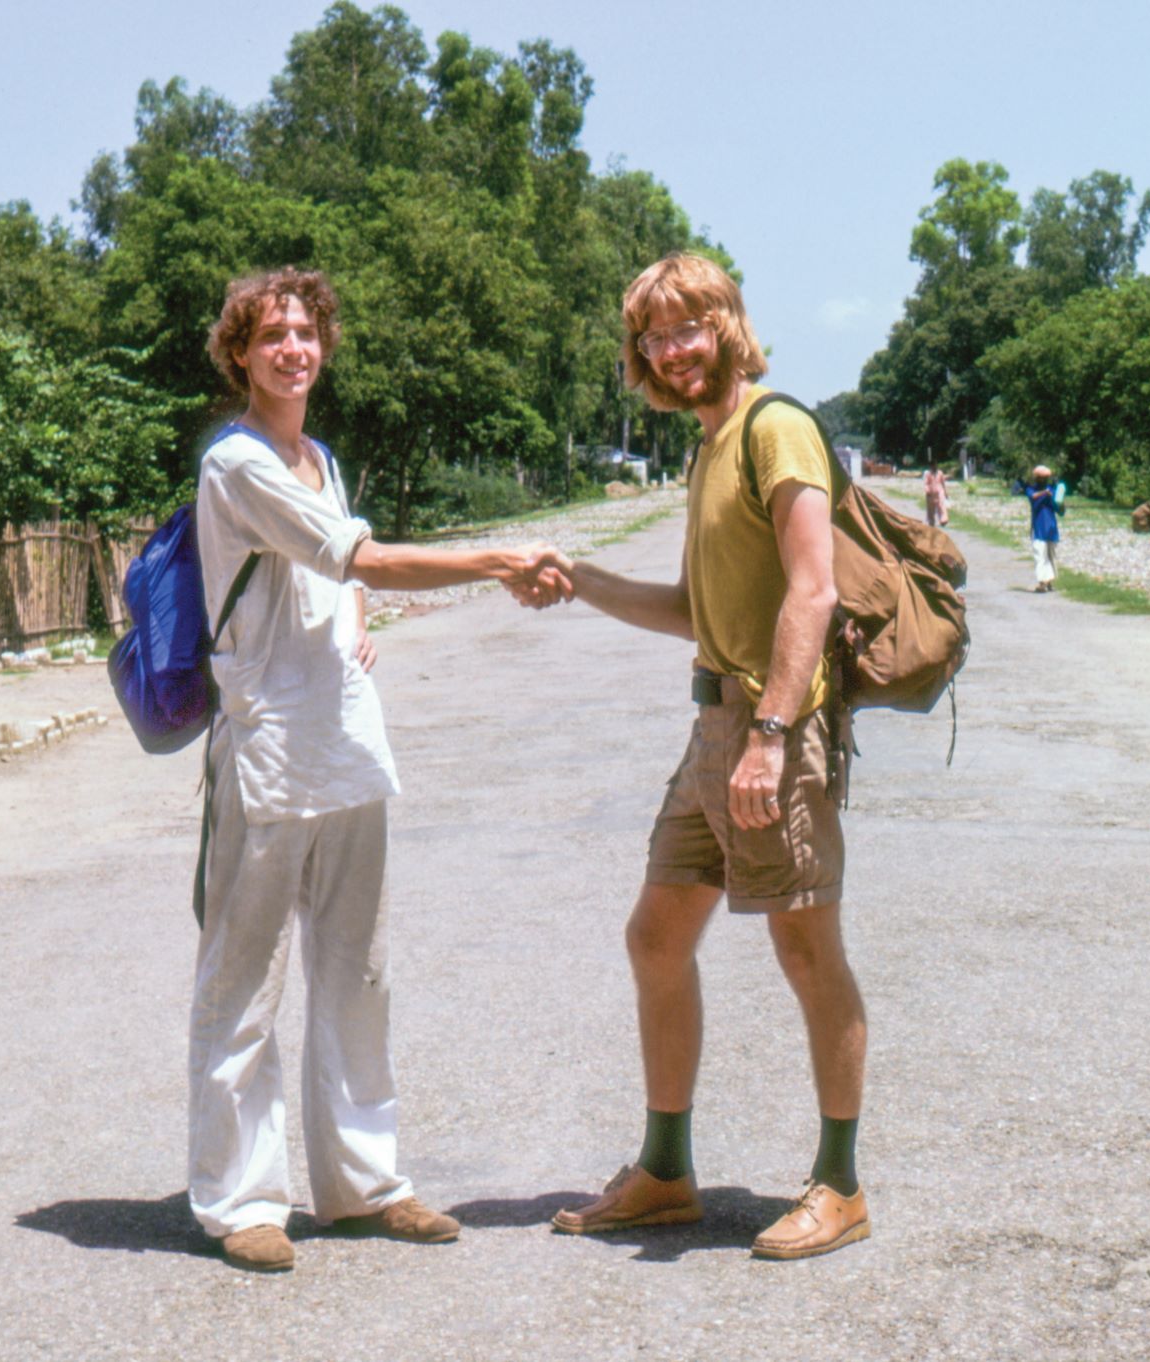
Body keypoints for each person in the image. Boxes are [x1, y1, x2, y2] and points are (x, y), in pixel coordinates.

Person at [188, 266, 561, 1274]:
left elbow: (343, 582)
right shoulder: (237, 464)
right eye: (271, 336)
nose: (291, 350)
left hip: (346, 745)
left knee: (358, 976)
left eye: (305, 332)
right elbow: (356, 557)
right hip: (266, 747)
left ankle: (362, 1186)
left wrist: (354, 625)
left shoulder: (318, 458)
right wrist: (496, 563)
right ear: (239, 354)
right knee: (245, 981)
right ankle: (242, 1200)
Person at [536, 253, 871, 1261]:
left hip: (777, 728)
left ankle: (840, 1185)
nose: (671, 350)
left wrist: (769, 736)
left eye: (688, 327)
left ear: (727, 323)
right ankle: (665, 1173)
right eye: (652, 337)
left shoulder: (776, 429)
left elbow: (810, 592)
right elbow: (692, 609)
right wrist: (581, 579)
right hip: (712, 732)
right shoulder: (708, 446)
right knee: (655, 938)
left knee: (807, 953)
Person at [1015, 465, 1064, 591]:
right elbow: (1033, 497)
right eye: (1040, 477)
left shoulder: (1052, 491)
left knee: (1050, 555)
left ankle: (1048, 581)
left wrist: (1060, 501)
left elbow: (1060, 510)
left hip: (1050, 528)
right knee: (1040, 555)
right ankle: (1042, 581)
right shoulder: (1032, 490)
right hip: (1039, 528)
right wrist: (1045, 493)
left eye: (1044, 477)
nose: (1042, 480)